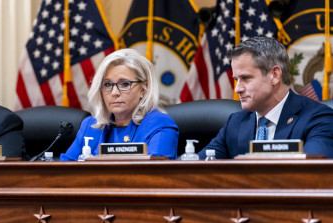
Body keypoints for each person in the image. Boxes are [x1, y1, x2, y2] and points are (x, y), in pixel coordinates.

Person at [198, 37, 333, 159]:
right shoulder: (235, 123)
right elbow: (192, 170)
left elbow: (312, 173)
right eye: (236, 80)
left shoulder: (319, 119)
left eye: (245, 78)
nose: (237, 89)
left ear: (274, 75)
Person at [60, 48, 179, 161]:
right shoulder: (90, 126)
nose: (114, 92)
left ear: (144, 89)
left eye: (125, 84)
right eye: (107, 84)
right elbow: (62, 173)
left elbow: (154, 175)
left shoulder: (159, 125)